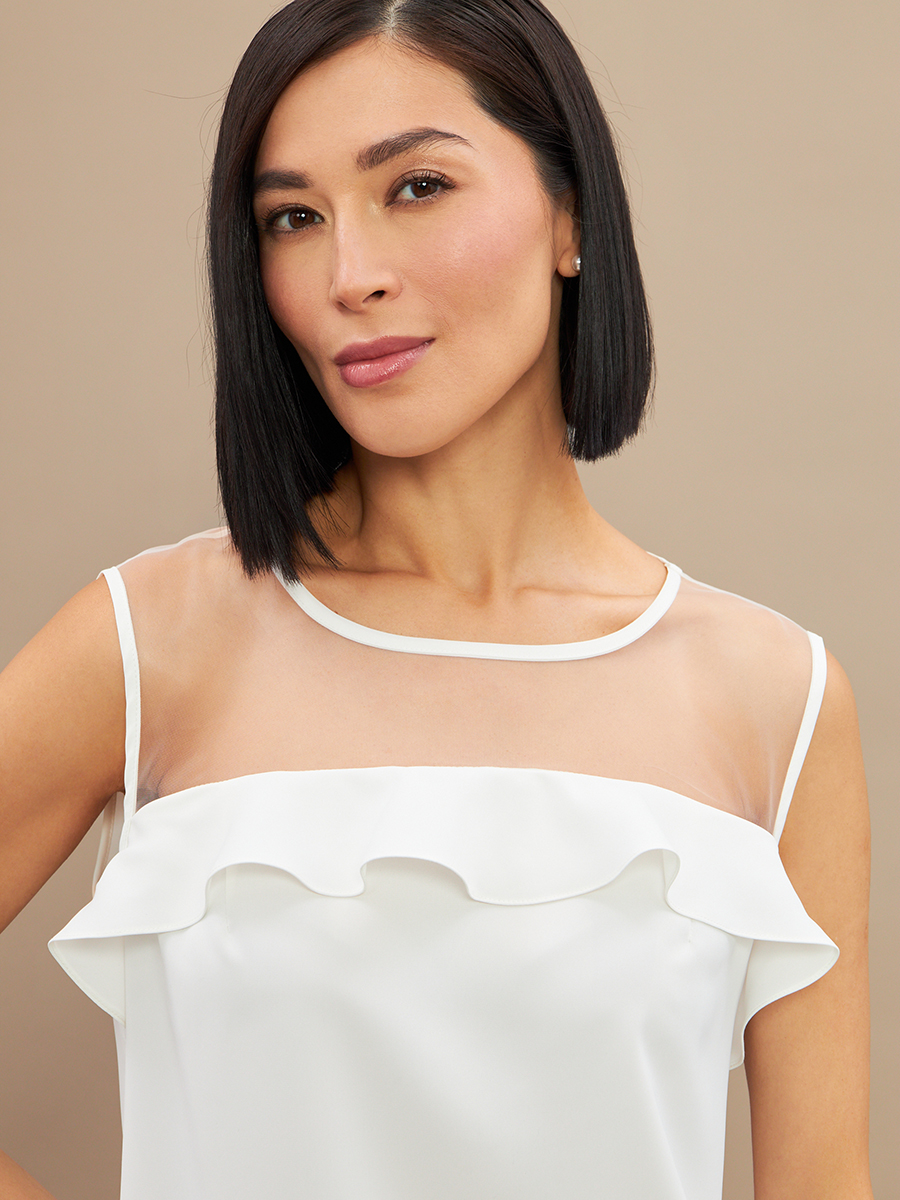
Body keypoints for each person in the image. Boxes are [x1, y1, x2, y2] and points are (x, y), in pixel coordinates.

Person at [0, 0, 872, 1196]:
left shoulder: (778, 697)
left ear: (570, 215)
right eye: (293, 217)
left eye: (416, 187)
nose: (349, 276)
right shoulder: (153, 642)